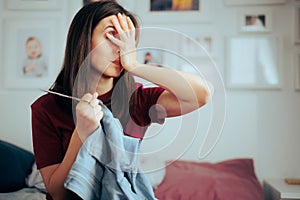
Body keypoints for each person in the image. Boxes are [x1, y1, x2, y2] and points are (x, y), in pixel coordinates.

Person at [31, 1, 213, 199]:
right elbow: (57, 193)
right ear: (83, 38)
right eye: (111, 35)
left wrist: (135, 65)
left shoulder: (139, 100)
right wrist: (80, 135)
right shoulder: (46, 108)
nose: (121, 47)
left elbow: (202, 93)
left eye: (127, 40)